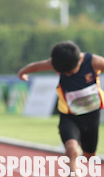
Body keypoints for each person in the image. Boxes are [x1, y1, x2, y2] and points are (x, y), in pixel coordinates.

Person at [18, 41, 104, 177]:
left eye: (70, 71)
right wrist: (22, 72)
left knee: (89, 156)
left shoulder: (94, 62)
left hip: (91, 116)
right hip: (69, 116)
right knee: (72, 150)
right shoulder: (58, 63)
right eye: (64, 73)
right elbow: (38, 66)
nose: (68, 75)